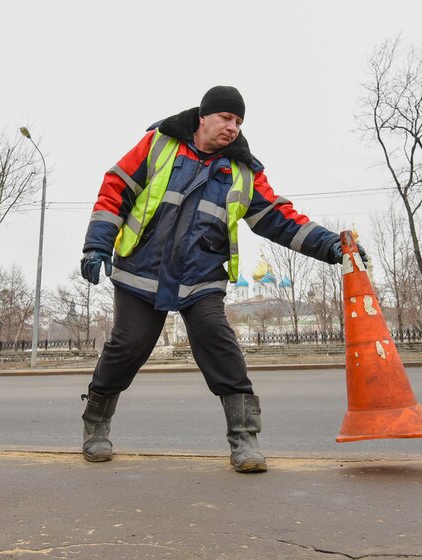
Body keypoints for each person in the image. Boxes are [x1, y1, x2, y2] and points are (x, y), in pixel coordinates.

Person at [79, 85, 363, 473]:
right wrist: (97, 244)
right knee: (128, 346)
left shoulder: (244, 171)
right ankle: (96, 424)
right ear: (203, 117)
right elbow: (115, 189)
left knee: (219, 342)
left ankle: (245, 439)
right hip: (143, 271)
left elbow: (279, 218)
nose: (233, 127)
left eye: (239, 121)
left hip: (201, 276)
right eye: (226, 118)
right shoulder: (158, 144)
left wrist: (330, 245)